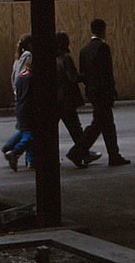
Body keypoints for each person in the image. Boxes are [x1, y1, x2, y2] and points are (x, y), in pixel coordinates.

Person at [77, 18, 131, 166]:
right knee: (103, 124)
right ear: (103, 30)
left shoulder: (84, 50)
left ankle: (113, 154)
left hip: (93, 91)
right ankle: (79, 151)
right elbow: (107, 72)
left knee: (104, 124)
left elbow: (83, 73)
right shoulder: (103, 48)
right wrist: (112, 90)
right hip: (103, 92)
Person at [57, 31, 101, 168]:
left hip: (56, 99)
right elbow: (73, 78)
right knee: (75, 128)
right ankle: (81, 153)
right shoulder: (66, 58)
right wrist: (86, 75)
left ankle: (83, 153)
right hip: (67, 99)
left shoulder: (51, 58)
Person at [1, 34, 32, 159]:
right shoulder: (28, 57)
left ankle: (9, 147)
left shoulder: (18, 59)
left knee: (25, 129)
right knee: (30, 131)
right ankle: (19, 153)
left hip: (19, 96)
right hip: (25, 97)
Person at [3, 52, 35, 171]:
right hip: (29, 109)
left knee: (24, 131)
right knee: (30, 134)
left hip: (20, 107)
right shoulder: (32, 78)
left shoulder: (21, 77)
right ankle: (15, 152)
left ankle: (10, 148)